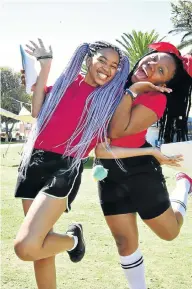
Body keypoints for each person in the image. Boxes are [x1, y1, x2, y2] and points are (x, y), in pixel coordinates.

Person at [15, 38, 171, 289]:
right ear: (88, 59)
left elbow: (103, 149)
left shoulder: (108, 101)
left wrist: (150, 151)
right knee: (41, 253)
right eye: (103, 60)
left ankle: (73, 240)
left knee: (26, 246)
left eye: (114, 66)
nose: (108, 68)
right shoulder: (66, 83)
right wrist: (45, 67)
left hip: (64, 170)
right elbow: (37, 111)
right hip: (32, 165)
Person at [94, 42, 192, 289]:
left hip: (140, 171)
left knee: (169, 233)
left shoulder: (155, 98)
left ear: (162, 84)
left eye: (160, 71)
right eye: (153, 59)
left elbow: (116, 131)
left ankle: (184, 185)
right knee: (124, 243)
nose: (150, 67)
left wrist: (133, 90)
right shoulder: (113, 80)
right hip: (107, 169)